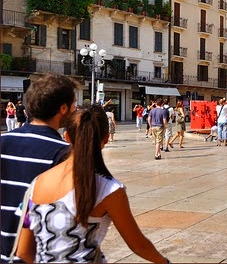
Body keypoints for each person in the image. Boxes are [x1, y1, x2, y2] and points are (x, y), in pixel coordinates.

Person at [14, 105, 170, 263]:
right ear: (106, 139)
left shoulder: (37, 183)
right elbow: (138, 245)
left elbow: (23, 251)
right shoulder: (109, 189)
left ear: (66, 137)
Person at [1, 74, 77, 261]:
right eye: (74, 104)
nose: (76, 110)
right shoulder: (64, 154)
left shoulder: (2, 141)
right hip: (32, 255)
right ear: (63, 108)